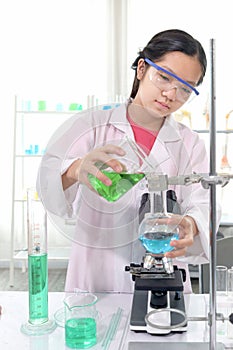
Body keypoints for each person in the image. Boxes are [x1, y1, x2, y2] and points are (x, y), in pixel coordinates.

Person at [37, 29, 213, 294]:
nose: (170, 94)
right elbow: (47, 182)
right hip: (97, 275)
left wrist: (190, 223)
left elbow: (203, 203)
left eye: (185, 89)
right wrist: (76, 169)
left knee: (163, 328)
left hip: (164, 274)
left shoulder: (189, 144)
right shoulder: (93, 125)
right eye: (164, 77)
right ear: (142, 68)